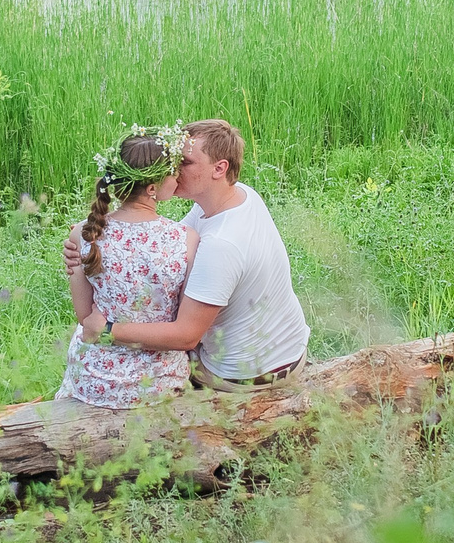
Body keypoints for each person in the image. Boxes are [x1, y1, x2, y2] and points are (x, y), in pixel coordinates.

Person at [75, 117, 310, 392]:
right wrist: (87, 238)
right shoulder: (239, 196)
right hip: (287, 348)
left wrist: (106, 329)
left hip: (245, 373)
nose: (172, 169)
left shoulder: (221, 244)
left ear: (219, 168)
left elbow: (186, 336)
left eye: (184, 162)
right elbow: (168, 249)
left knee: (148, 353)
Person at [56, 127, 201, 408]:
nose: (178, 177)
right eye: (173, 172)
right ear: (151, 189)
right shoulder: (185, 240)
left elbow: (85, 317)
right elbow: (185, 321)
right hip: (158, 383)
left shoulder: (84, 234)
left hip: (96, 380)